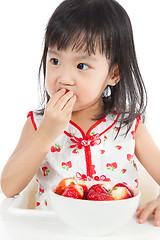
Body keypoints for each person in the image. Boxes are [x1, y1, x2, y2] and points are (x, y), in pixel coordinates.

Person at [0, 0, 160, 226]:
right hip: (53, 232)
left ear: (114, 74)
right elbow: (8, 187)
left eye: (81, 66)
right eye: (55, 60)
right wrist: (46, 133)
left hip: (117, 233)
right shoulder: (38, 124)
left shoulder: (128, 126)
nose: (64, 78)